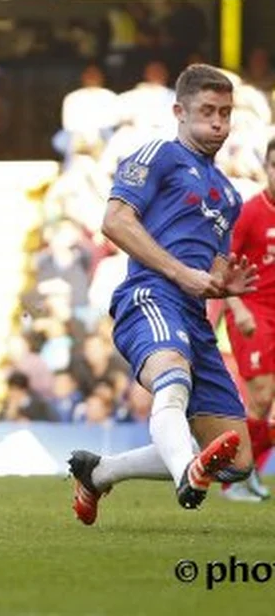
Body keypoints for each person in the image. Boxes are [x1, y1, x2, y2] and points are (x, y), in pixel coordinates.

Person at [68, 64, 258, 526]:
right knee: (172, 380)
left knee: (237, 461)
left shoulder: (229, 195)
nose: (217, 122)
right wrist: (180, 273)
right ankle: (184, 475)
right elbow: (115, 221)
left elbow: (213, 264)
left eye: (225, 113)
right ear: (179, 111)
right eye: (207, 111)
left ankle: (100, 473)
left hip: (193, 313)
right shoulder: (158, 155)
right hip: (151, 295)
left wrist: (221, 284)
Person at [220, 138, 275, 501]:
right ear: (266, 167)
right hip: (253, 311)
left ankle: (245, 470)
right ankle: (233, 480)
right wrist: (237, 308)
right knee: (261, 397)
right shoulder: (251, 212)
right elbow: (221, 265)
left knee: (265, 407)